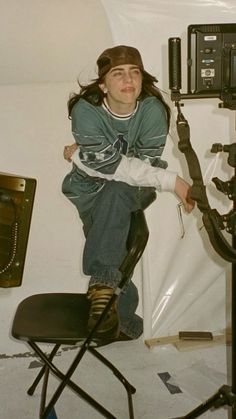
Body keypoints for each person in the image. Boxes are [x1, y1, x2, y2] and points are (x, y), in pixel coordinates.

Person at [62, 45, 194, 340]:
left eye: (134, 72)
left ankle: (103, 289)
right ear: (102, 84)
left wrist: (84, 156)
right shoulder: (86, 110)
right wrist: (174, 181)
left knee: (119, 189)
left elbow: (139, 169)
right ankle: (124, 323)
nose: (128, 80)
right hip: (88, 191)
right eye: (118, 74)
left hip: (132, 189)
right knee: (114, 246)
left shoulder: (152, 110)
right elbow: (106, 166)